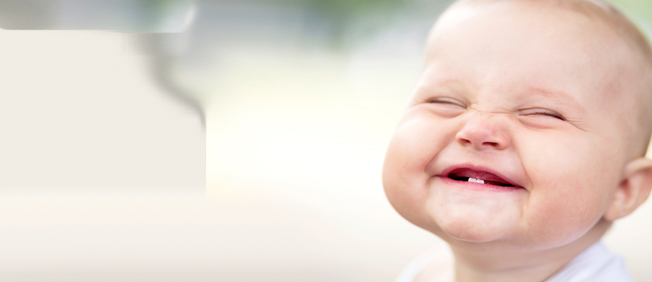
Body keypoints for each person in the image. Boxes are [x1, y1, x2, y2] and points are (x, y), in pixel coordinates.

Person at [382, 0, 652, 281]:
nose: (477, 129)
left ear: (624, 188)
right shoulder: (426, 271)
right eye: (445, 101)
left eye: (542, 113)